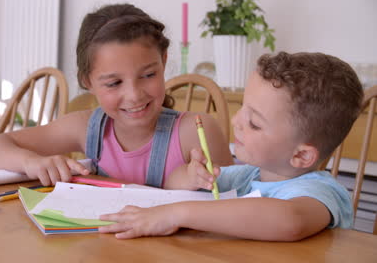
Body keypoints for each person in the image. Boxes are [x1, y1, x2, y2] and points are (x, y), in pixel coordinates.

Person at [99, 51, 364, 241]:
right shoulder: (247, 176)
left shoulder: (319, 192)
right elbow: (172, 183)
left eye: (255, 123)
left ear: (301, 155)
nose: (236, 121)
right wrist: (190, 176)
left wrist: (176, 214)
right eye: (242, 110)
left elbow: (289, 221)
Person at [0, 3, 233, 188]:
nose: (133, 95)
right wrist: (31, 162)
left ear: (163, 62)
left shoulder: (196, 131)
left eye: (148, 75)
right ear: (88, 81)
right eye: (114, 83)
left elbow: (238, 201)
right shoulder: (85, 127)